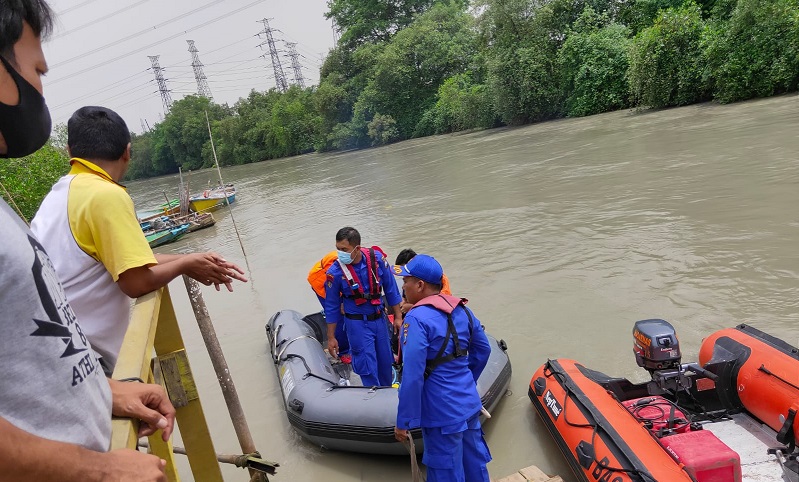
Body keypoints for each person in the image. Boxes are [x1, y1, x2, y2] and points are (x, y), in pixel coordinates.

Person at [0, 1, 174, 480]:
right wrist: (97, 470)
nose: (39, 87)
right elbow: (135, 279)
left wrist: (103, 392)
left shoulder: (46, 197)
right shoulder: (106, 194)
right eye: (37, 70)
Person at [30, 105, 247, 371]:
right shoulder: (105, 195)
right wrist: (185, 265)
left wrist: (189, 258)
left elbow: (130, 262)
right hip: (85, 359)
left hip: (53, 351)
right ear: (127, 152)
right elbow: (136, 282)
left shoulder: (59, 196)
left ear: (69, 152)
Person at [393, 254, 492, 482]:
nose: (403, 287)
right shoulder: (462, 310)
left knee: (445, 471)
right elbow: (483, 350)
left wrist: (404, 421)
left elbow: (413, 375)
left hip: (440, 412)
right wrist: (466, 381)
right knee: (475, 464)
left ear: (420, 285)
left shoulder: (416, 319)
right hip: (468, 403)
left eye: (406, 281)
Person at [324, 227, 403, 386]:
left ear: (357, 248)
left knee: (385, 361)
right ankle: (372, 395)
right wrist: (331, 337)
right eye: (338, 249)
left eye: (344, 250)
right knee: (366, 365)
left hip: (379, 320)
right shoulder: (335, 272)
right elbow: (332, 307)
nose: (340, 254)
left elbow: (391, 289)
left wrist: (398, 317)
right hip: (357, 323)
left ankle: (387, 392)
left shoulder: (377, 261)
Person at [308, 250, 351, 362]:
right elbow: (338, 286)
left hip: (338, 279)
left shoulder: (364, 263)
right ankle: (344, 351)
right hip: (322, 279)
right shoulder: (340, 267)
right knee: (338, 316)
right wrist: (341, 303)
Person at [395, 248, 452, 316]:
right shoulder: (409, 281)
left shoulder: (435, 279)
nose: (404, 275)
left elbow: (439, 304)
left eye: (406, 269)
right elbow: (404, 298)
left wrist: (411, 307)